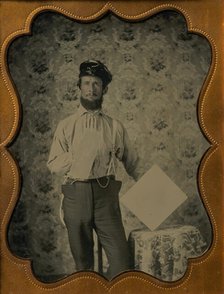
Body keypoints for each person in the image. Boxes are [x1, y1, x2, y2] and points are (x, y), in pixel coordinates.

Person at [47, 60, 141, 279]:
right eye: (86, 83)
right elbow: (53, 164)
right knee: (84, 266)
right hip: (75, 194)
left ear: (104, 89)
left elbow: (134, 162)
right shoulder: (66, 125)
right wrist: (79, 154)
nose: (91, 88)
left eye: (96, 83)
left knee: (122, 262)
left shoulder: (114, 126)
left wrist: (157, 191)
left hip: (105, 195)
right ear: (79, 86)